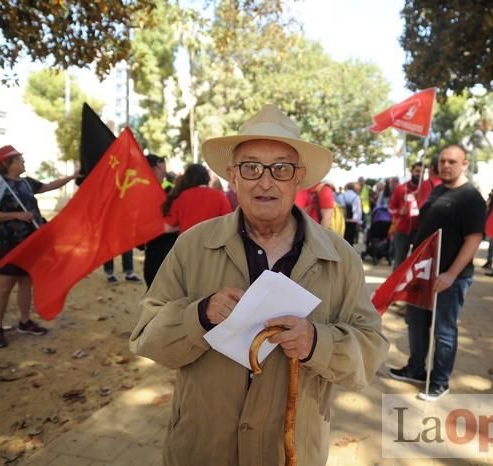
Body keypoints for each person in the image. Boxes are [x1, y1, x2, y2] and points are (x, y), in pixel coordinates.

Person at [130, 104, 388, 466]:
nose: (265, 182)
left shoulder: (340, 258)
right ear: (233, 177)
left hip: (290, 452)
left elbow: (371, 350)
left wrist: (318, 342)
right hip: (203, 448)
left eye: (280, 168)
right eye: (251, 168)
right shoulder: (192, 245)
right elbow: (146, 335)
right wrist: (199, 316)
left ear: (298, 177)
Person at [389, 144, 486, 401]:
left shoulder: (471, 197)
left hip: (450, 278)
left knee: (443, 330)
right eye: (442, 161)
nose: (446, 166)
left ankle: (440, 381)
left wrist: (451, 274)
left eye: (452, 162)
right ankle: (416, 369)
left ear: (465, 164)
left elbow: (474, 239)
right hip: (423, 273)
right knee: (416, 322)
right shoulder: (437, 190)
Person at [0, 145, 79, 348]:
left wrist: (72, 177)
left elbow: (48, 186)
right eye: (19, 159)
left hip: (31, 241)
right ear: (9, 163)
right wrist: (16, 215)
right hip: (9, 243)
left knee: (26, 281)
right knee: (5, 285)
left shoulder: (27, 183)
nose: (23, 162)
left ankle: (24, 321)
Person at [161, 163, 232, 234]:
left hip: (187, 242)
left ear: (187, 179)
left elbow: (167, 228)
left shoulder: (181, 197)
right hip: (213, 242)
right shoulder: (219, 196)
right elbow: (229, 224)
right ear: (207, 177)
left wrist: (184, 226)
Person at [142, 154, 177, 289]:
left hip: (170, 252)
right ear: (156, 166)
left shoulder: (169, 189)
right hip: (156, 253)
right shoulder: (143, 191)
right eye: (162, 165)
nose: (165, 170)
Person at [388, 161, 423, 269]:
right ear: (412, 171)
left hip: (420, 231)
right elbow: (390, 208)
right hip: (402, 230)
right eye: (417, 171)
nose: (419, 174)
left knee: (418, 263)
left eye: (422, 172)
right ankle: (395, 285)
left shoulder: (426, 189)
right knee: (399, 261)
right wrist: (399, 212)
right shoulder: (400, 189)